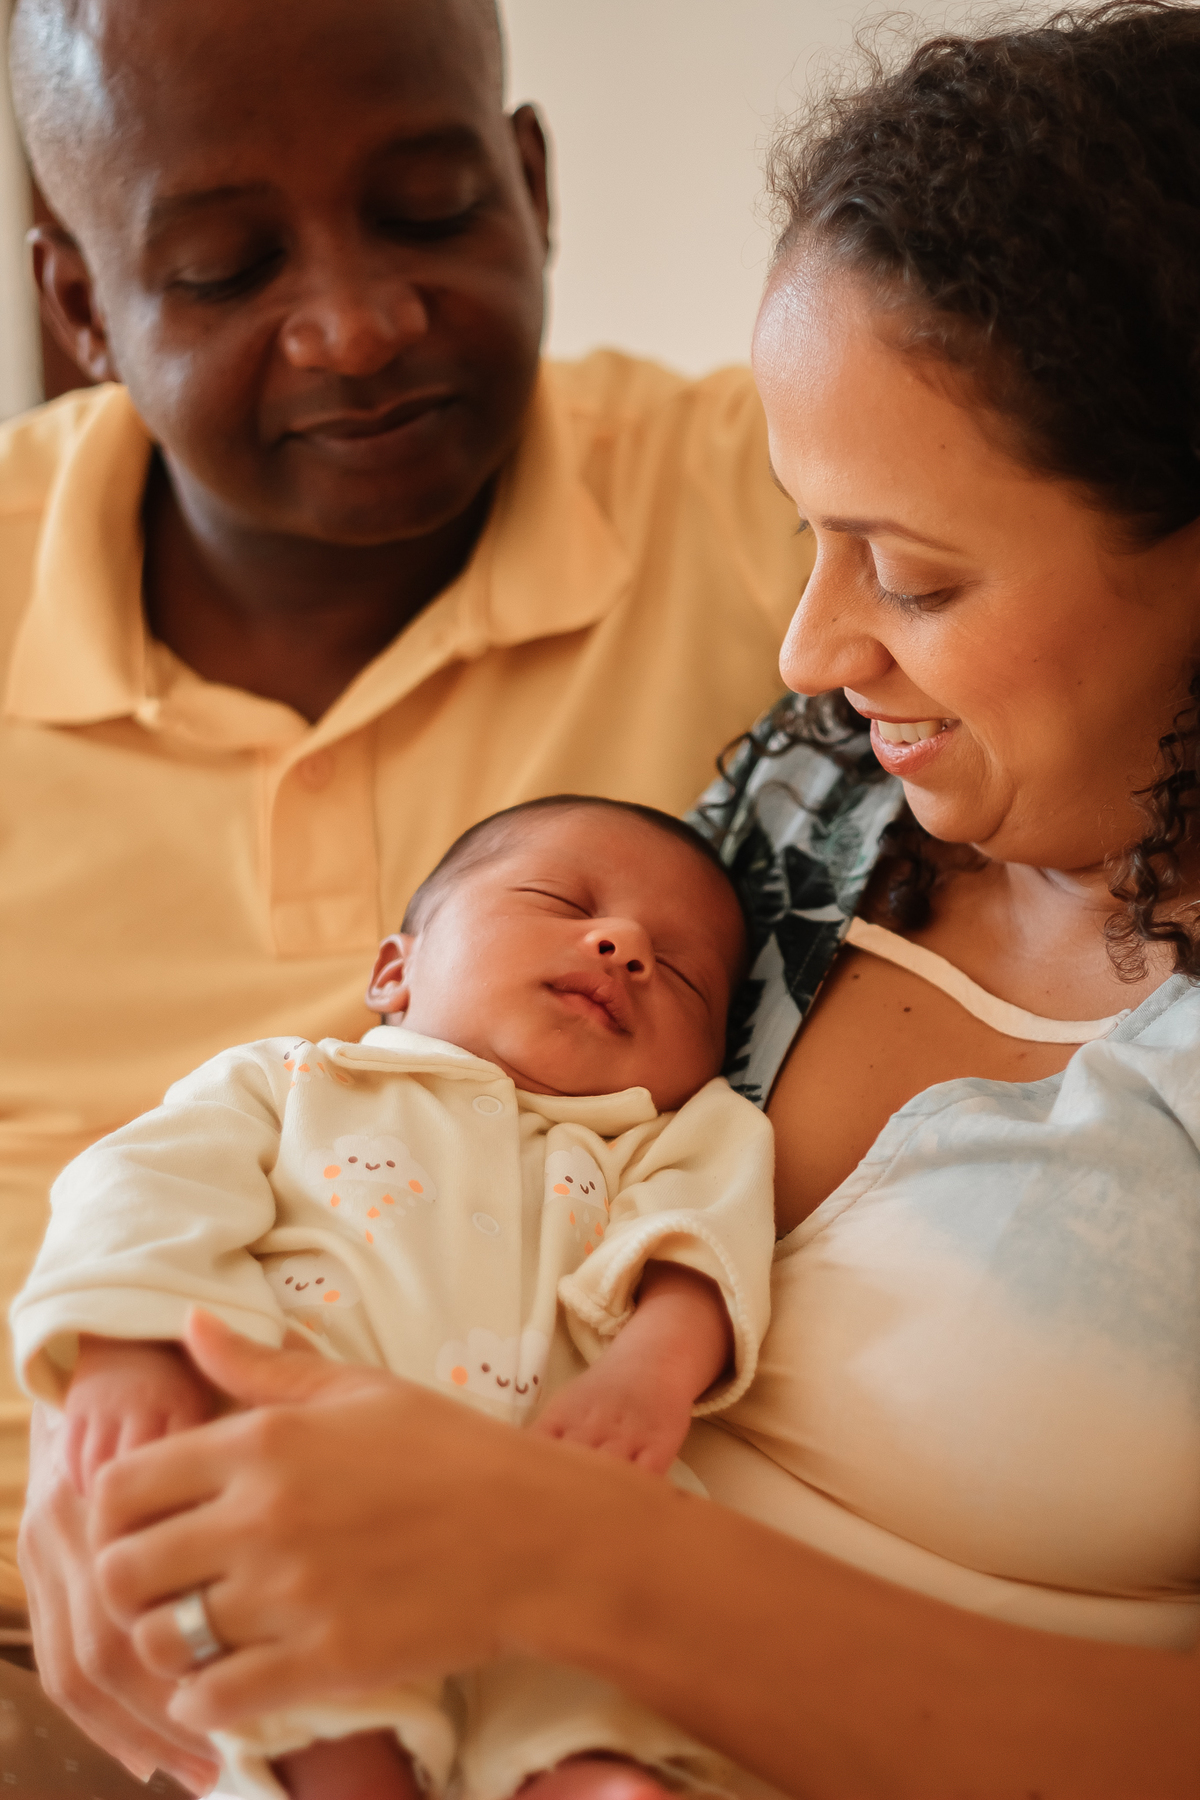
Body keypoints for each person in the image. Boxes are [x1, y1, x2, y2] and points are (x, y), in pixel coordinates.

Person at [25, 5, 1200, 1796]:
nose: (808, 645)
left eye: (915, 572)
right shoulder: (816, 799)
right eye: (813, 536)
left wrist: (562, 1552)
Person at [0, 0, 808, 1625]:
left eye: (430, 211)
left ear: (531, 184)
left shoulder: (784, 506)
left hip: (546, 1620)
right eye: (228, 267)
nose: (358, 326)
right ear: (81, 304)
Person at [13, 795, 775, 1800]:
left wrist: (650, 1373)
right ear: (394, 971)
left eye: (683, 974)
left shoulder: (671, 1133)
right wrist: (131, 1350)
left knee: (608, 1700)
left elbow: (707, 1244)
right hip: (303, 1492)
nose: (625, 944)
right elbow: (144, 1192)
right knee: (317, 1707)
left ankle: (592, 1774)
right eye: (562, 899)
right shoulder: (290, 1083)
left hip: (563, 1512)